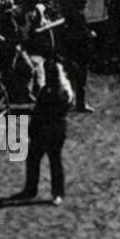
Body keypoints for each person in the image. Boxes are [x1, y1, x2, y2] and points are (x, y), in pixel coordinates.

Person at [16, 56, 74, 205]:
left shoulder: (60, 94)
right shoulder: (58, 92)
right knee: (37, 160)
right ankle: (34, 190)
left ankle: (54, 193)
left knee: (52, 162)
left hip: (52, 132)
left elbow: (45, 112)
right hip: (46, 131)